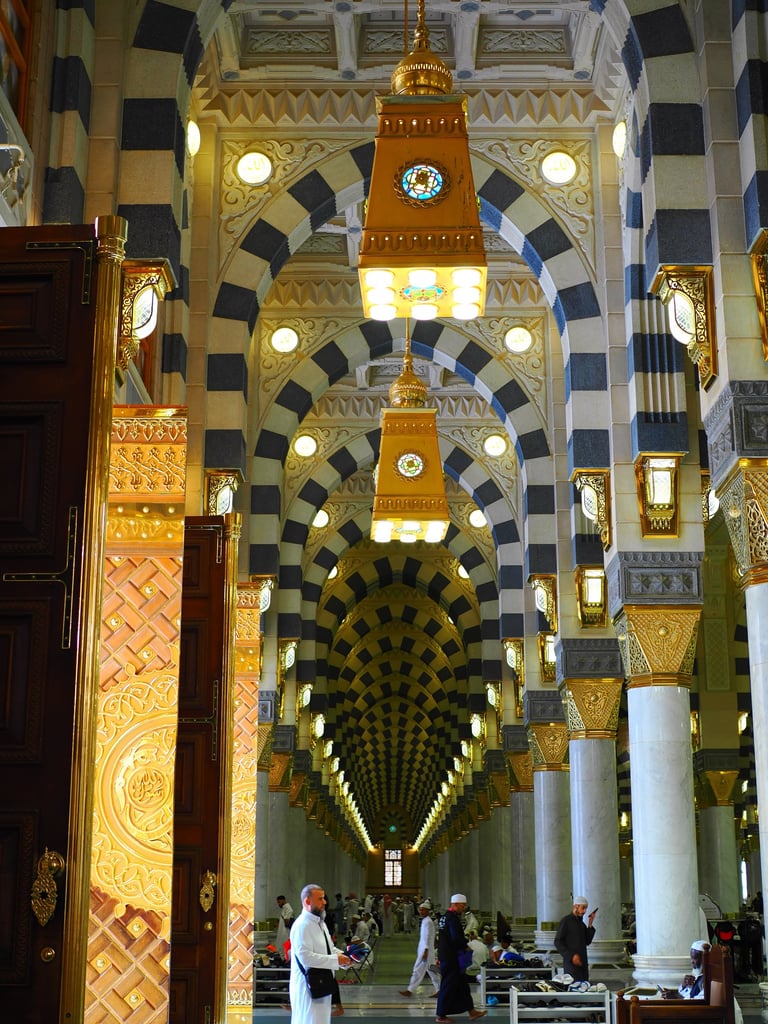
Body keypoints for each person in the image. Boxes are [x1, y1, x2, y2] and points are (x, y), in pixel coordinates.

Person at [289, 884, 351, 1024]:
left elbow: (329, 949)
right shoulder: (302, 925)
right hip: (307, 987)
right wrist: (336, 960)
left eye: (324, 898)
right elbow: (305, 957)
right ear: (307, 901)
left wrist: (345, 958)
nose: (325, 902)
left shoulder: (320, 923)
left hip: (322, 984)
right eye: (320, 899)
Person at [435, 893, 487, 1023]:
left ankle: (471, 1011)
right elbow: (456, 938)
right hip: (451, 957)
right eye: (462, 905)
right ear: (455, 904)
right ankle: (440, 1015)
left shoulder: (444, 918)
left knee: (462, 984)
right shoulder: (453, 919)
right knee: (448, 985)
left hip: (446, 955)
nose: (463, 908)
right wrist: (466, 946)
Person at [399, 900, 441, 998]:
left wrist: (425, 951)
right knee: (431, 971)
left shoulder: (428, 922)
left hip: (425, 951)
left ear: (428, 911)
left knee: (417, 970)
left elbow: (427, 936)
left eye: (423, 910)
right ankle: (439, 989)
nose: (421, 912)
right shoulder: (425, 921)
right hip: (425, 950)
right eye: (420, 910)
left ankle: (410, 990)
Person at [554, 897, 597, 982]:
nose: (584, 911)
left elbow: (587, 941)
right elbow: (558, 941)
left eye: (586, 908)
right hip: (571, 965)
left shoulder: (581, 924)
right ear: (576, 906)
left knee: (584, 986)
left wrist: (590, 924)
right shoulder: (566, 921)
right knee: (573, 985)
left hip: (582, 964)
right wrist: (571, 956)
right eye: (583, 908)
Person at [277, 895, 295, 961]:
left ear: (283, 900)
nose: (278, 904)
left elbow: (287, 920)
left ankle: (286, 960)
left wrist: (285, 921)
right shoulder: (285, 908)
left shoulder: (288, 908)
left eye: (279, 902)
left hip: (286, 932)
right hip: (283, 931)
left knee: (285, 946)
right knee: (282, 946)